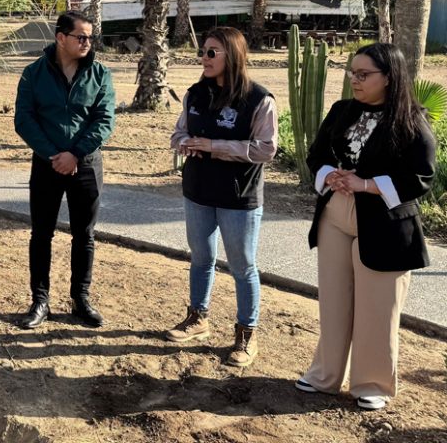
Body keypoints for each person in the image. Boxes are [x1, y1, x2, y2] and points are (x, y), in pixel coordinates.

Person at [295, 43, 435, 410]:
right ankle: (325, 375)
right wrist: (330, 176)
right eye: (351, 73)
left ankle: (372, 383)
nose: (354, 80)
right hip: (335, 214)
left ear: (388, 77)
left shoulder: (411, 120)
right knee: (333, 300)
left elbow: (420, 176)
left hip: (385, 222)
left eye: (363, 74)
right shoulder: (342, 110)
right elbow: (317, 154)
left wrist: (367, 185)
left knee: (378, 307)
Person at [165, 27, 277, 368]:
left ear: (234, 55)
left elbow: (266, 149)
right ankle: (198, 318)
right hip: (198, 191)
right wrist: (184, 142)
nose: (204, 58)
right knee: (201, 259)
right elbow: (178, 132)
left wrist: (214, 147)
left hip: (238, 197)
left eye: (212, 52)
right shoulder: (195, 94)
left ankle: (247, 334)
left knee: (243, 267)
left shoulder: (259, 100)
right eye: (203, 51)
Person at [13, 10, 115, 329]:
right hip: (47, 165)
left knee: (84, 235)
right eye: (80, 36)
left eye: (90, 37)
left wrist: (75, 153)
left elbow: (104, 120)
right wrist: (53, 154)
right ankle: (40, 301)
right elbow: (24, 119)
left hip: (86, 166)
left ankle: (80, 300)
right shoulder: (33, 73)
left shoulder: (99, 74)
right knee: (41, 234)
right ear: (61, 37)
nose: (87, 42)